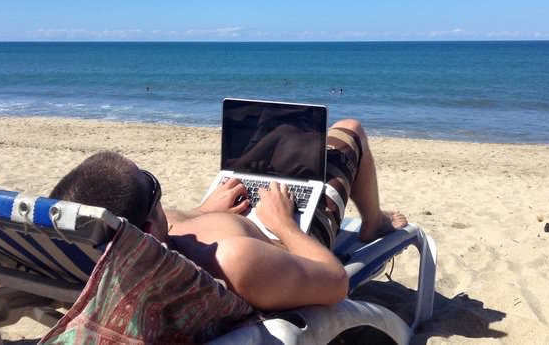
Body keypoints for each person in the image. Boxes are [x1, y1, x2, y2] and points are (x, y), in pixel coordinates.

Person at [50, 118, 406, 312]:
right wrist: (283, 223)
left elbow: (162, 224)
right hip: (288, 238)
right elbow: (336, 284)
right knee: (350, 130)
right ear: (146, 230)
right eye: (151, 185)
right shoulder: (233, 260)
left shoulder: (122, 253)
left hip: (238, 221)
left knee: (284, 136)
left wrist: (203, 211)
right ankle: (372, 223)